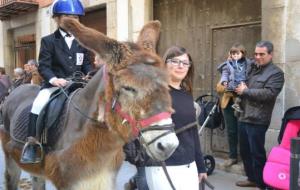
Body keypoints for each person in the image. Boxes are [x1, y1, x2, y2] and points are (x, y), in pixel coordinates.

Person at [20, 0, 92, 164]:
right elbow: (44, 66)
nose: (72, 20)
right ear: (57, 19)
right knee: (39, 103)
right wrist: (54, 79)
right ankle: (32, 143)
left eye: (76, 17)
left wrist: (89, 74)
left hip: (79, 83)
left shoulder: (83, 41)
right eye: (67, 16)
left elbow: (87, 63)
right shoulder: (48, 41)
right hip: (55, 84)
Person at [144, 46, 207, 190]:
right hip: (163, 166)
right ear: (165, 63)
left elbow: (193, 132)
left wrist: (200, 166)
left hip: (189, 165)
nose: (180, 66)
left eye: (185, 63)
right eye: (175, 61)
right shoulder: (154, 93)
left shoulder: (186, 94)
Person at [235, 40, 284, 190]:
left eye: (262, 54)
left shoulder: (276, 73)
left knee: (257, 153)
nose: (257, 57)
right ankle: (252, 178)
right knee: (244, 151)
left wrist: (246, 91)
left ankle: (262, 184)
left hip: (258, 119)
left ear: (271, 54)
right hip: (244, 115)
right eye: (256, 53)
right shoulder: (253, 68)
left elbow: (269, 94)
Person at [216, 43, 249, 167]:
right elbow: (218, 88)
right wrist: (227, 86)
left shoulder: (245, 67)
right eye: (232, 54)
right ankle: (233, 156)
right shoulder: (227, 68)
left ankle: (246, 159)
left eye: (237, 53)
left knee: (243, 131)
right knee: (231, 131)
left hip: (243, 104)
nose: (234, 56)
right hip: (228, 104)